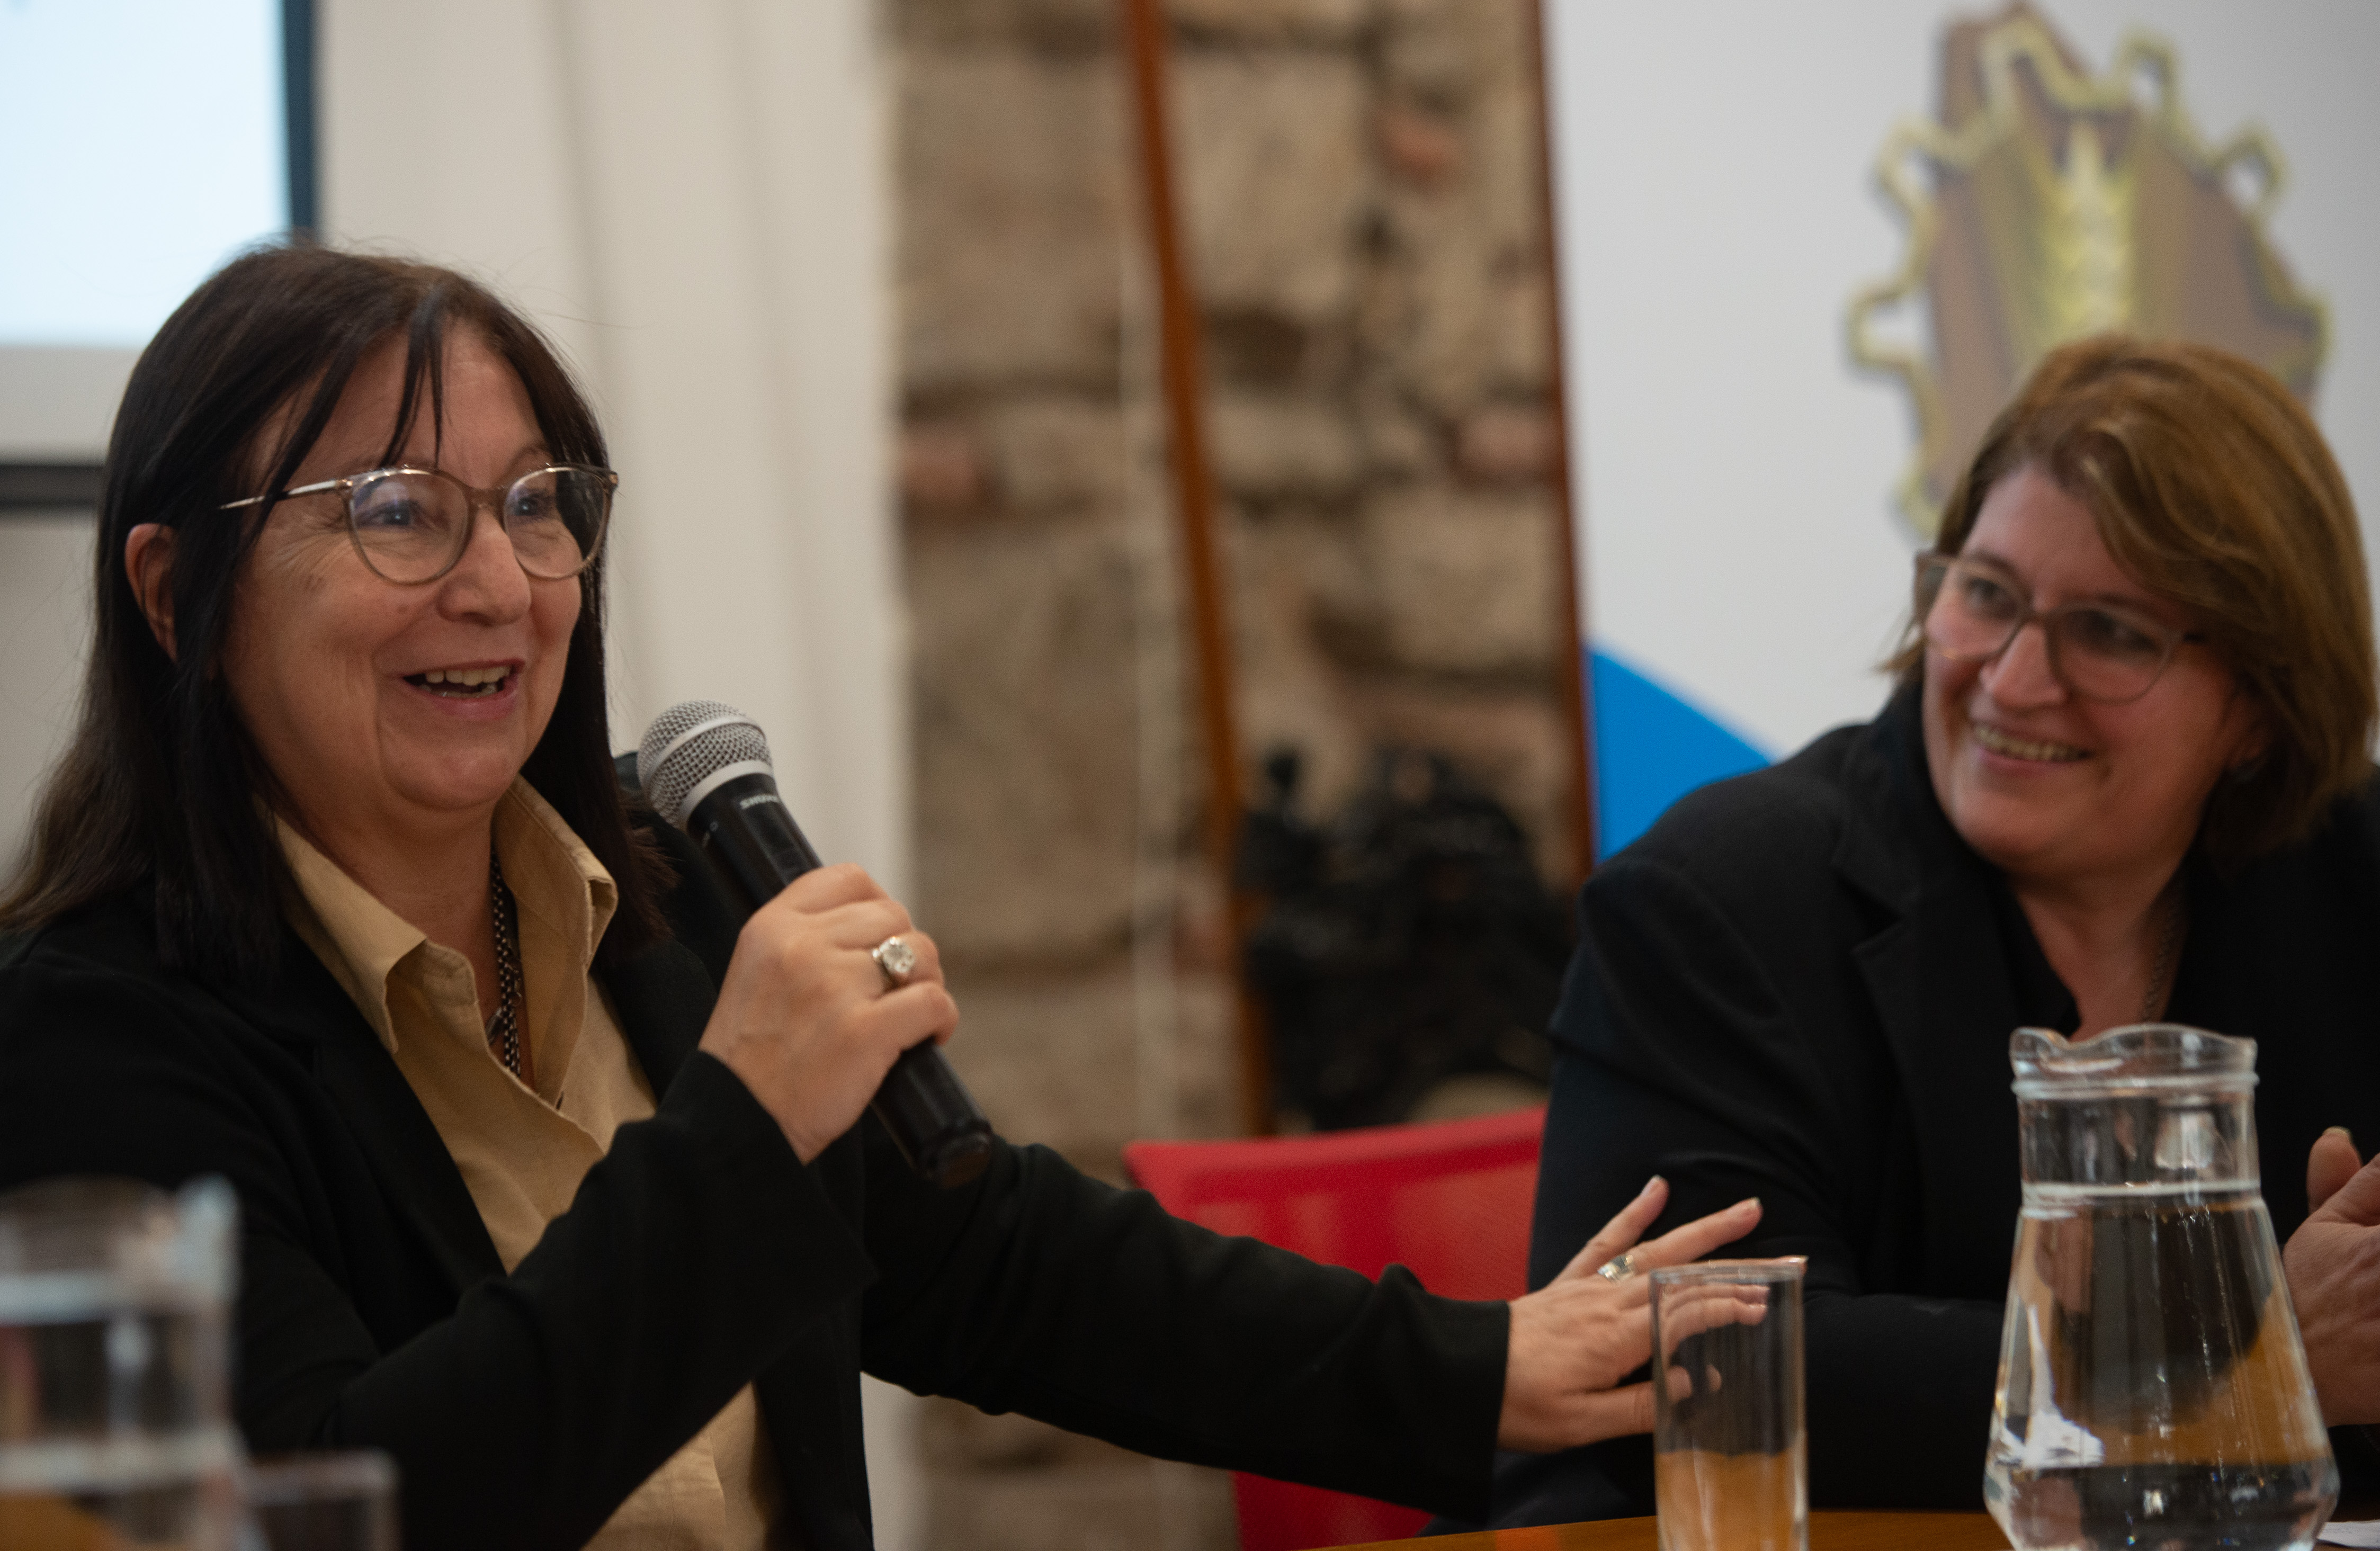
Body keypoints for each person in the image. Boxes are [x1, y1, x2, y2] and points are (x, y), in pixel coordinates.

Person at [0, 245, 1764, 1551]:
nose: (498, 583)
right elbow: (344, 1508)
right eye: (398, 511)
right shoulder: (91, 1036)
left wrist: (1479, 1366)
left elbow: (1003, 1269)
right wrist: (740, 1128)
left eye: (539, 506)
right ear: (173, 590)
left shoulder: (660, 893)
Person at [1496, 334, 2380, 1524]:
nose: (2010, 681)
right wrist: (2241, 1359)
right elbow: (1707, 1367)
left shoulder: (2353, 874)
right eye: (1987, 595)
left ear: (2261, 710)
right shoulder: (1716, 903)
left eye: (2111, 631)